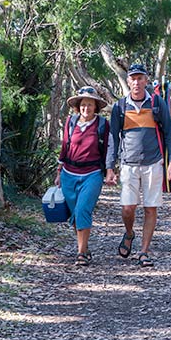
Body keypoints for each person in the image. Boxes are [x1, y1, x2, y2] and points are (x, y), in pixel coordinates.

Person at [105, 63, 171, 267]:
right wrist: (110, 167)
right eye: (133, 79)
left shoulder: (156, 103)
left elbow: (169, 132)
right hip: (128, 164)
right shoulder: (120, 106)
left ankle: (144, 251)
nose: (136, 82)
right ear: (128, 81)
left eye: (140, 78)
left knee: (150, 208)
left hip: (154, 164)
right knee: (128, 208)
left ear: (146, 81)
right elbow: (113, 138)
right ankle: (129, 233)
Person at [55, 86, 110, 266]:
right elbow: (65, 148)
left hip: (92, 174)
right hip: (69, 174)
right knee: (74, 214)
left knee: (82, 210)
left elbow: (108, 149)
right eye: (83, 104)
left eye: (90, 104)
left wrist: (109, 170)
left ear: (96, 107)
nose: (86, 108)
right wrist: (58, 172)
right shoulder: (71, 122)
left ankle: (80, 253)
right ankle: (84, 247)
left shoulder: (102, 125)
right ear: (78, 107)